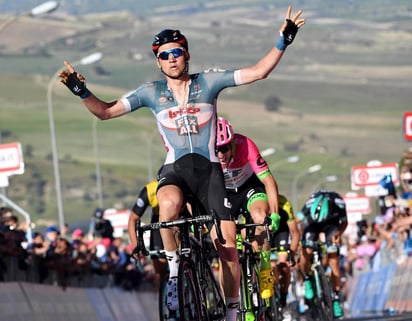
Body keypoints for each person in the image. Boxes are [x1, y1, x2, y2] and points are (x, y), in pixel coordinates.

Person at [59, 6, 304, 320]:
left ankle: (231, 311)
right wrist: (82, 91)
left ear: (187, 54)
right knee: (168, 206)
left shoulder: (210, 82)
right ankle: (176, 270)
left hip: (210, 172)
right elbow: (105, 112)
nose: (171, 58)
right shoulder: (151, 93)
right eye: (164, 55)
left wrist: (282, 42)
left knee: (227, 246)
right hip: (176, 170)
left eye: (176, 52)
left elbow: (258, 72)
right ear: (158, 61)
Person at [215, 116, 281, 299]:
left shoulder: (245, 144)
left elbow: (268, 180)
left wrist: (274, 214)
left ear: (231, 143)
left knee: (260, 216)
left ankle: (265, 265)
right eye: (216, 150)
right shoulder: (207, 155)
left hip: (249, 188)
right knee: (226, 250)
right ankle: (230, 301)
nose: (220, 155)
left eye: (224, 148)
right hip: (225, 194)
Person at [296, 190, 348, 319]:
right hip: (312, 224)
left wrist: (338, 235)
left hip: (332, 224)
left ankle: (335, 298)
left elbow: (344, 223)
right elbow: (295, 222)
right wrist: (297, 240)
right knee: (306, 251)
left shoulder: (339, 203)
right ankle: (307, 278)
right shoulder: (310, 203)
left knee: (334, 260)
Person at [128, 179, 169, 290]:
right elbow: (132, 220)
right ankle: (162, 292)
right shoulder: (149, 190)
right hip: (158, 221)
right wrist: (136, 245)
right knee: (159, 270)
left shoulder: (182, 184)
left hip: (182, 216)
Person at [269, 194, 300, 316]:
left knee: (284, 266)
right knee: (270, 266)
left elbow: (295, 232)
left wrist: (291, 253)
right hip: (264, 233)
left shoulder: (283, 202)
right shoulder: (253, 200)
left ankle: (283, 297)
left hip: (281, 231)